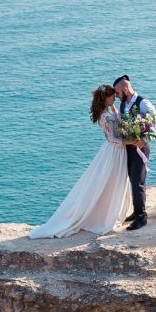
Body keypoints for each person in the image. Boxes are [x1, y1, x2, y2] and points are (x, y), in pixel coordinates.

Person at [27, 84, 133, 238]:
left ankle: (105, 212)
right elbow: (115, 139)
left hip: (111, 151)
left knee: (109, 182)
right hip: (115, 152)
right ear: (105, 98)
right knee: (112, 182)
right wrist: (135, 141)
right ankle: (104, 216)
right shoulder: (106, 117)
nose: (115, 98)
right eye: (112, 96)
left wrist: (115, 111)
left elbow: (114, 127)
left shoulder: (105, 114)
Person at [111, 74, 156, 230]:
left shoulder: (143, 103)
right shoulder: (123, 105)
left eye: (118, 93)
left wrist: (145, 139)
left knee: (138, 181)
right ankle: (136, 211)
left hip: (140, 148)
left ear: (125, 89)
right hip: (127, 148)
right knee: (131, 180)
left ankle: (141, 216)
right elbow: (123, 121)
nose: (117, 97)